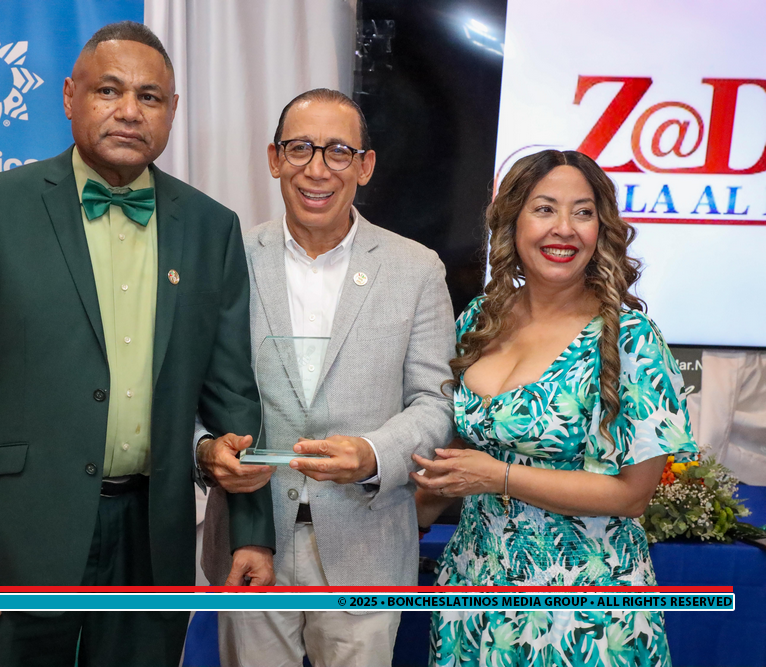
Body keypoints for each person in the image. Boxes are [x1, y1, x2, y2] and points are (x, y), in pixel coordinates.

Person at [0, 21, 274, 667]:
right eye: (109, 90)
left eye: (149, 96)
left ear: (172, 110)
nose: (130, 111)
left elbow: (232, 394)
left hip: (152, 541)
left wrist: (252, 532)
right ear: (69, 96)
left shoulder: (211, 227)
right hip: (14, 543)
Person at [198, 89, 456, 667]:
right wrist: (205, 449)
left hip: (367, 545)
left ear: (365, 166)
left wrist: (373, 453)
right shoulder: (228, 257)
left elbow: (436, 402)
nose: (317, 169)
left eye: (339, 151)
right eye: (300, 149)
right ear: (274, 159)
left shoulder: (416, 269)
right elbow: (190, 388)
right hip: (250, 544)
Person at [414, 149, 698, 666]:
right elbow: (454, 453)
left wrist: (499, 477)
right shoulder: (480, 318)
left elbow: (632, 495)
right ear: (513, 222)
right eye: (545, 209)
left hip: (583, 609)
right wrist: (400, 521)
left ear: (601, 229)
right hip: (474, 590)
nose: (564, 228)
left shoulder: (631, 337)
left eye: (583, 212)